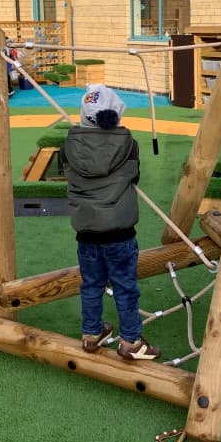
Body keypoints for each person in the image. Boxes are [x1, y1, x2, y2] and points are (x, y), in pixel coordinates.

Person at [59, 84, 161, 361]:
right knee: (125, 286)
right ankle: (130, 341)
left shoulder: (68, 146)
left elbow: (66, 172)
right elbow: (134, 176)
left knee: (91, 284)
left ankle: (92, 334)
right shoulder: (127, 144)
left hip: (87, 233)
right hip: (119, 233)